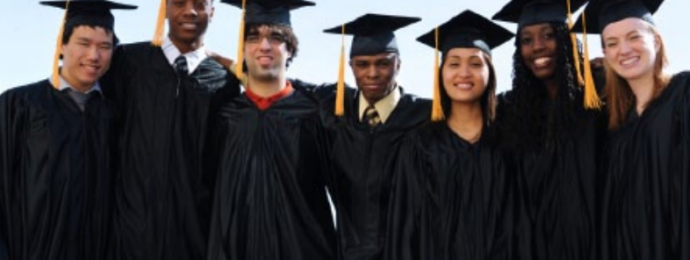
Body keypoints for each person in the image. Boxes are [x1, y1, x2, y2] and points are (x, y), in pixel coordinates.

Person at [100, 0, 241, 259]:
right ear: (164, 8)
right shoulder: (128, 62)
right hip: (130, 236)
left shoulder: (225, 80)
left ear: (212, 11)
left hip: (194, 236)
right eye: (179, 3)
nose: (189, 11)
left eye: (200, 4)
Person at [572, 0, 690, 259]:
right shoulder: (615, 128)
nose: (623, 50)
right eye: (611, 43)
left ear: (656, 41)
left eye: (633, 37)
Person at [0, 1, 136, 259]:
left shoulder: (114, 117)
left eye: (104, 47)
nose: (94, 56)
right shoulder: (19, 105)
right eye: (83, 44)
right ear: (62, 45)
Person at [206, 0, 336, 259]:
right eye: (253, 37)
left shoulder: (314, 114)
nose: (264, 45)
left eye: (275, 37)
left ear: (290, 49)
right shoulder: (226, 118)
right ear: (242, 49)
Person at [384, 9, 515, 260]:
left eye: (476, 63)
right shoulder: (419, 147)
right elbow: (403, 232)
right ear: (441, 72)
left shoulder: (509, 143)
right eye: (454, 63)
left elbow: (524, 227)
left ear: (490, 73)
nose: (464, 73)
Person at [491, 0, 607, 259]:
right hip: (534, 247)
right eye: (526, 40)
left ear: (566, 39)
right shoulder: (511, 110)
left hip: (600, 243)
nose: (538, 47)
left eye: (548, 35)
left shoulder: (600, 92)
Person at [320, 13, 432, 260]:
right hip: (346, 252)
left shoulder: (426, 118)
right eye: (362, 64)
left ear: (398, 65)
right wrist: (230, 65)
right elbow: (282, 87)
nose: (372, 73)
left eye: (383, 63)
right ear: (350, 66)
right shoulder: (333, 111)